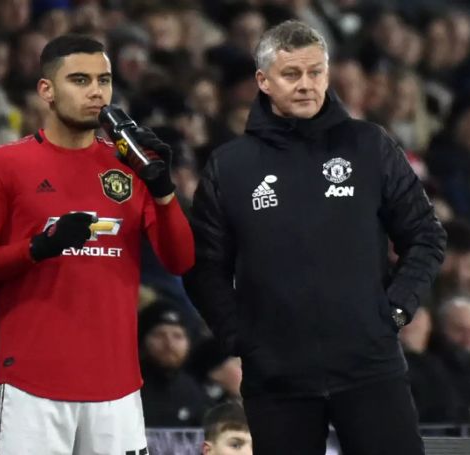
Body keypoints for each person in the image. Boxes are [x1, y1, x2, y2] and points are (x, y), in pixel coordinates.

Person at [184, 20, 445, 455]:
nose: (307, 85)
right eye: (292, 74)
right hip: (277, 377)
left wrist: (396, 310)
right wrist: (239, 336)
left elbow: (426, 235)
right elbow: (203, 266)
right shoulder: (230, 166)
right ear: (263, 81)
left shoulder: (368, 145)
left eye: (316, 72)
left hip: (370, 366)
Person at [0, 34, 194, 454]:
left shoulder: (130, 166)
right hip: (33, 387)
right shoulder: (2, 165)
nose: (96, 91)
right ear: (46, 89)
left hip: (117, 389)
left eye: (104, 79)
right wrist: (37, 248)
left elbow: (180, 260)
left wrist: (165, 191)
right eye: (79, 80)